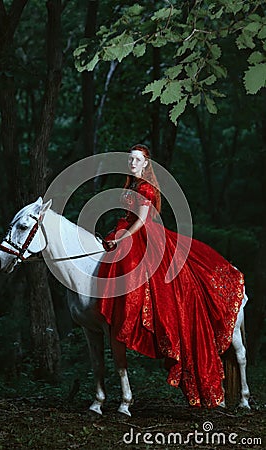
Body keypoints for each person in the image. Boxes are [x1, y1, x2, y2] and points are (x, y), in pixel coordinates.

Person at [97, 144, 245, 408]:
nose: (132, 163)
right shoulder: (131, 186)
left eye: (137, 160)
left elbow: (141, 221)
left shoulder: (145, 188)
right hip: (129, 230)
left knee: (156, 279)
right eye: (130, 159)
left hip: (146, 235)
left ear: (145, 164)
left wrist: (124, 237)